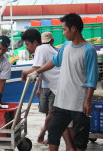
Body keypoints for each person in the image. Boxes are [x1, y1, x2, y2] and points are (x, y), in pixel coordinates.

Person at [27, 13, 98, 151]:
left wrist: (88, 101)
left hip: (79, 104)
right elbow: (53, 62)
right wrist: (37, 71)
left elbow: (92, 78)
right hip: (61, 102)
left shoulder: (89, 51)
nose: (63, 33)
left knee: (80, 141)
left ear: (73, 29)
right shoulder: (66, 46)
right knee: (53, 134)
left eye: (64, 29)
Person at [21, 30, 75, 150]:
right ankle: (70, 147)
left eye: (27, 44)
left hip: (63, 90)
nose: (26, 47)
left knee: (57, 122)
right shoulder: (47, 49)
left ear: (35, 42)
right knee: (65, 123)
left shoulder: (41, 49)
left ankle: (70, 147)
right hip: (64, 90)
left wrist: (24, 73)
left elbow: (35, 69)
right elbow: (39, 71)